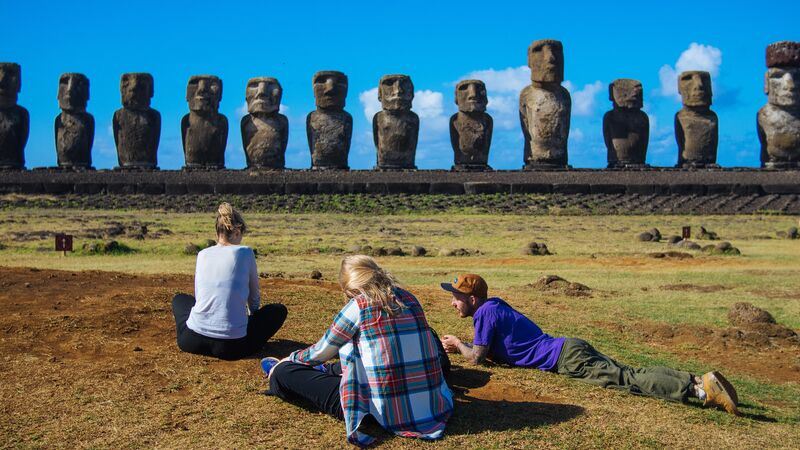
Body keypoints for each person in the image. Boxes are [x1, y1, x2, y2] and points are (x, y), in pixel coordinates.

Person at [439, 273, 740, 415]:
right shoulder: (495, 305)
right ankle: (697, 380)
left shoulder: (485, 313)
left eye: (456, 298)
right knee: (628, 371)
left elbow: (477, 358)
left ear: (473, 299)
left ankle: (698, 390)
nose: (453, 303)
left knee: (626, 379)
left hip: (565, 359)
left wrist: (458, 344)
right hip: (569, 347)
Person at [263, 255, 453, 446]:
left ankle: (276, 373)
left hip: (378, 411)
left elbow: (319, 353)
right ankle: (327, 370)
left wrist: (290, 358)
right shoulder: (410, 298)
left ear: (351, 288)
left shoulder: (359, 306)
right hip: (432, 407)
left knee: (284, 372)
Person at [171, 202, 287, 360]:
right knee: (278, 310)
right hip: (231, 347)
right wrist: (252, 319)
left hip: (191, 340)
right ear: (237, 231)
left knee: (179, 299)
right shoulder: (245, 252)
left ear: (217, 232)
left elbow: (199, 297)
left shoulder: (203, 254)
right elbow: (253, 299)